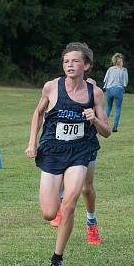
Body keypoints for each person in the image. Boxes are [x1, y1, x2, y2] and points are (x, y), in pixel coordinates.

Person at [26, 43, 111, 266]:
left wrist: (94, 119)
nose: (69, 65)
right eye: (66, 61)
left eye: (75, 61)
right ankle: (59, 214)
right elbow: (38, 112)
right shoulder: (51, 87)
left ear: (86, 65)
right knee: (49, 213)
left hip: (80, 152)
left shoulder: (95, 93)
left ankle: (57, 258)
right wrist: (32, 142)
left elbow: (107, 131)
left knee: (71, 203)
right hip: (52, 151)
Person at [50, 77, 102, 246]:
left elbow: (104, 129)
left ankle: (91, 223)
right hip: (65, 147)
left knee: (86, 189)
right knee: (61, 178)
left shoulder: (93, 90)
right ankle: (62, 208)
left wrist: (93, 118)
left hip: (86, 146)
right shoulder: (60, 88)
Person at [103, 53, 128, 132]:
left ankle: (104, 124)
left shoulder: (110, 69)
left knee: (108, 107)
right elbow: (125, 82)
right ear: (121, 61)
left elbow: (105, 80)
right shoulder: (123, 70)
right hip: (118, 90)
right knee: (118, 108)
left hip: (109, 90)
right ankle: (115, 127)